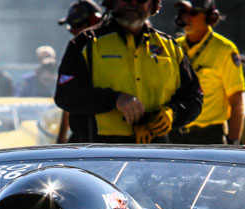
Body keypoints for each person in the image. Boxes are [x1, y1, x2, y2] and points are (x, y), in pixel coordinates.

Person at [54, 0, 202, 144]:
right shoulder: (85, 43)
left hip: (156, 151)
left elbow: (194, 97)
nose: (133, 3)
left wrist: (173, 113)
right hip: (99, 151)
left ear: (153, 4)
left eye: (141, 0)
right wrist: (115, 99)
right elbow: (65, 95)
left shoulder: (170, 47)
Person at [173, 0, 245, 145]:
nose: (186, 17)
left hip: (209, 137)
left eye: (193, 13)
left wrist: (234, 142)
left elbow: (237, 100)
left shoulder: (225, 50)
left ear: (210, 16)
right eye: (183, 12)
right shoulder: (174, 47)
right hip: (174, 135)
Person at [54, 0, 103, 144]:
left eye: (76, 25)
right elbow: (68, 99)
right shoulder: (76, 49)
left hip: (107, 136)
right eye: (70, 26)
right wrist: (61, 140)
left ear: (94, 21)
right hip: (82, 136)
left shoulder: (110, 48)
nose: (72, 31)